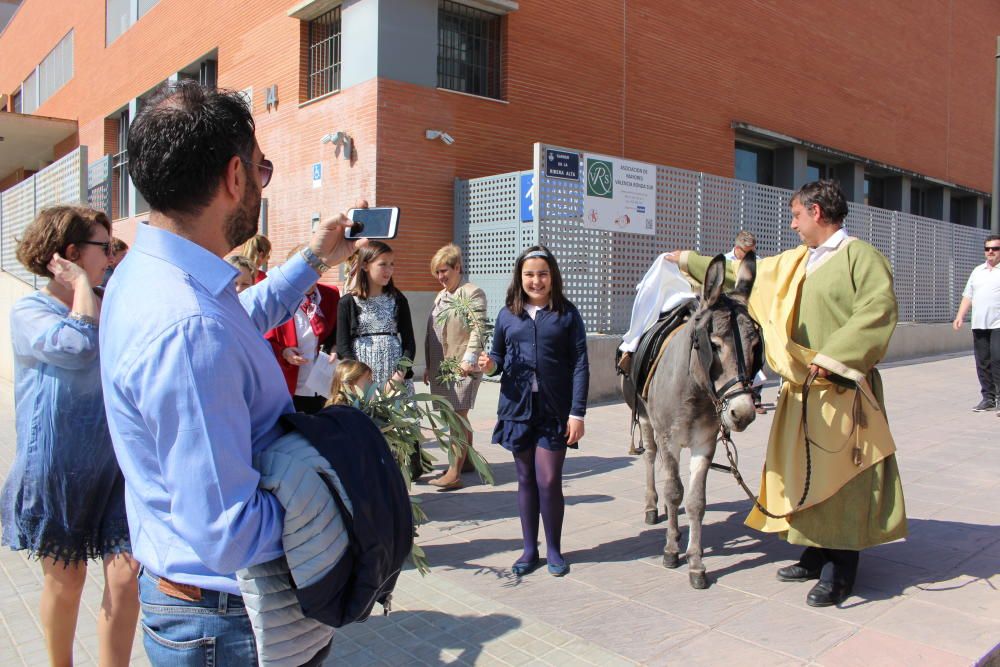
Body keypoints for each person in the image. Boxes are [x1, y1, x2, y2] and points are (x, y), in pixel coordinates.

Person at [99, 80, 365, 665]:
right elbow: (229, 532)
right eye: (260, 169)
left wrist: (315, 257)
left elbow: (237, 322)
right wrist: (336, 499)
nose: (259, 186)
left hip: (201, 609)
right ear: (235, 177)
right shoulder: (188, 326)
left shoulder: (153, 274)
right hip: (226, 624)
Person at [666, 179, 906, 607]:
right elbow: (750, 277)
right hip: (802, 390)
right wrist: (687, 259)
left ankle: (840, 570)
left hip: (841, 387)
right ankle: (815, 550)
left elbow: (878, 310)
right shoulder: (800, 260)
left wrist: (833, 357)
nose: (792, 225)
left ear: (816, 212)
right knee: (805, 474)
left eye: (796, 215)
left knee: (843, 478)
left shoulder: (860, 257)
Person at [1, 206, 139, 666]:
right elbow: (79, 348)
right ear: (71, 254)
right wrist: (82, 285)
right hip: (57, 469)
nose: (111, 256)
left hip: (113, 467)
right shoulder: (30, 311)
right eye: (103, 247)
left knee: (126, 579)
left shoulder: (108, 300)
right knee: (68, 581)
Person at [478, 245, 589, 578]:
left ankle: (554, 549)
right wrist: (488, 365)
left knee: (550, 479)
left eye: (542, 273)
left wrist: (577, 413)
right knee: (525, 479)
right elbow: (497, 358)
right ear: (520, 277)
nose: (536, 280)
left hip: (555, 410)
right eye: (529, 274)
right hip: (517, 407)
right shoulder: (506, 314)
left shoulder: (567, 314)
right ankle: (530, 549)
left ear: (552, 275)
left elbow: (581, 364)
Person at [423, 243, 487, 490]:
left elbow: (478, 329)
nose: (440, 277)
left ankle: (454, 472)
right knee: (456, 417)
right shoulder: (442, 295)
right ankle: (467, 461)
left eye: (444, 271)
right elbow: (434, 333)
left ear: (457, 267)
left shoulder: (472, 293)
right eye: (437, 272)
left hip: (462, 367)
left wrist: (469, 361)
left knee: (457, 418)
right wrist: (429, 366)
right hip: (442, 367)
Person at [265, 244, 341, 413]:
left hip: (323, 383)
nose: (313, 277)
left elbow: (337, 331)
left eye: (317, 270)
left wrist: (335, 347)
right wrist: (284, 352)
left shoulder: (330, 295)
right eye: (307, 271)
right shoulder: (278, 299)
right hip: (289, 385)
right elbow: (264, 340)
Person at [336, 241, 416, 394]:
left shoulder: (398, 299)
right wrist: (359, 379)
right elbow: (343, 347)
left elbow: (409, 344)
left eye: (392, 264)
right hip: (360, 381)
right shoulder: (347, 302)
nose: (389, 270)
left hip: (395, 378)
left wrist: (398, 377)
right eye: (383, 264)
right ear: (365, 265)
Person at [952, 234, 1000, 412]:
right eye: (987, 249)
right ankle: (988, 398)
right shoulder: (977, 271)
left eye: (995, 249)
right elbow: (968, 295)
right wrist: (960, 316)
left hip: (998, 325)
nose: (990, 252)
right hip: (979, 323)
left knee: (998, 359)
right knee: (982, 362)